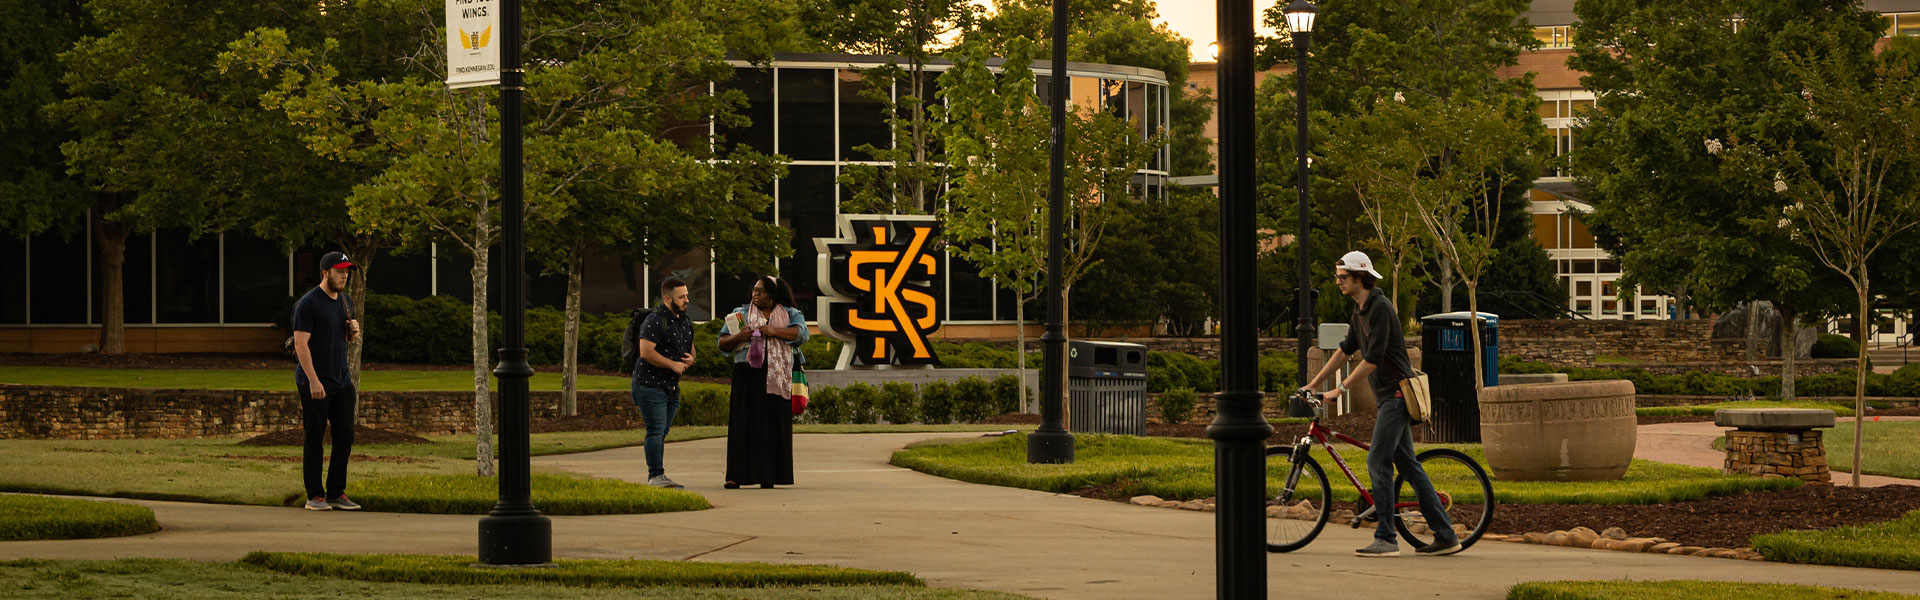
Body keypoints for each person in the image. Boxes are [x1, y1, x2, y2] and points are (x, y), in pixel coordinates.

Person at [1301, 250, 1461, 557]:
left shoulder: (1381, 308)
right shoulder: (1360, 311)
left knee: (1377, 461)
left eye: (1343, 277)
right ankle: (1446, 535)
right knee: (1410, 468)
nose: (1338, 282)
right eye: (1338, 277)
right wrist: (1313, 384)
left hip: (1398, 395)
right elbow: (1344, 351)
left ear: (1360, 277)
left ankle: (1386, 538)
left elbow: (1372, 360)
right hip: (1388, 397)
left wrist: (1340, 390)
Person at [715, 275, 808, 489]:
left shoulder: (790, 314)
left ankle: (770, 475)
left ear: (773, 296)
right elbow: (721, 343)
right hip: (748, 373)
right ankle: (736, 476)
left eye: (760, 291)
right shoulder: (741, 314)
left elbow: (802, 334)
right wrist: (739, 337)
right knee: (742, 423)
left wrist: (773, 331)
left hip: (777, 375)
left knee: (771, 424)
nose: (755, 294)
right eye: (754, 290)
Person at [292, 251, 362, 511]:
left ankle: (336, 492)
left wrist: (353, 333)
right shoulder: (308, 304)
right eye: (339, 270)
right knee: (315, 437)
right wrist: (313, 380)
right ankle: (315, 496)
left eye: (346, 271)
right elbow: (301, 344)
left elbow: (342, 340)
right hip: (315, 382)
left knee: (345, 436)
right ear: (325, 273)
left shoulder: (345, 302)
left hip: (341, 382)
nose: (344, 275)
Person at [633, 277, 696, 489]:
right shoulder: (654, 320)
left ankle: (659, 475)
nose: (687, 300)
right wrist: (672, 365)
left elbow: (690, 346)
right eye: (682, 297)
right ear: (668, 298)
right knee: (656, 430)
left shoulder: (683, 320)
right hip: (649, 384)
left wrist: (691, 359)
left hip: (671, 386)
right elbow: (645, 352)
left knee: (662, 431)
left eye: (687, 295)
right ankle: (655, 476)